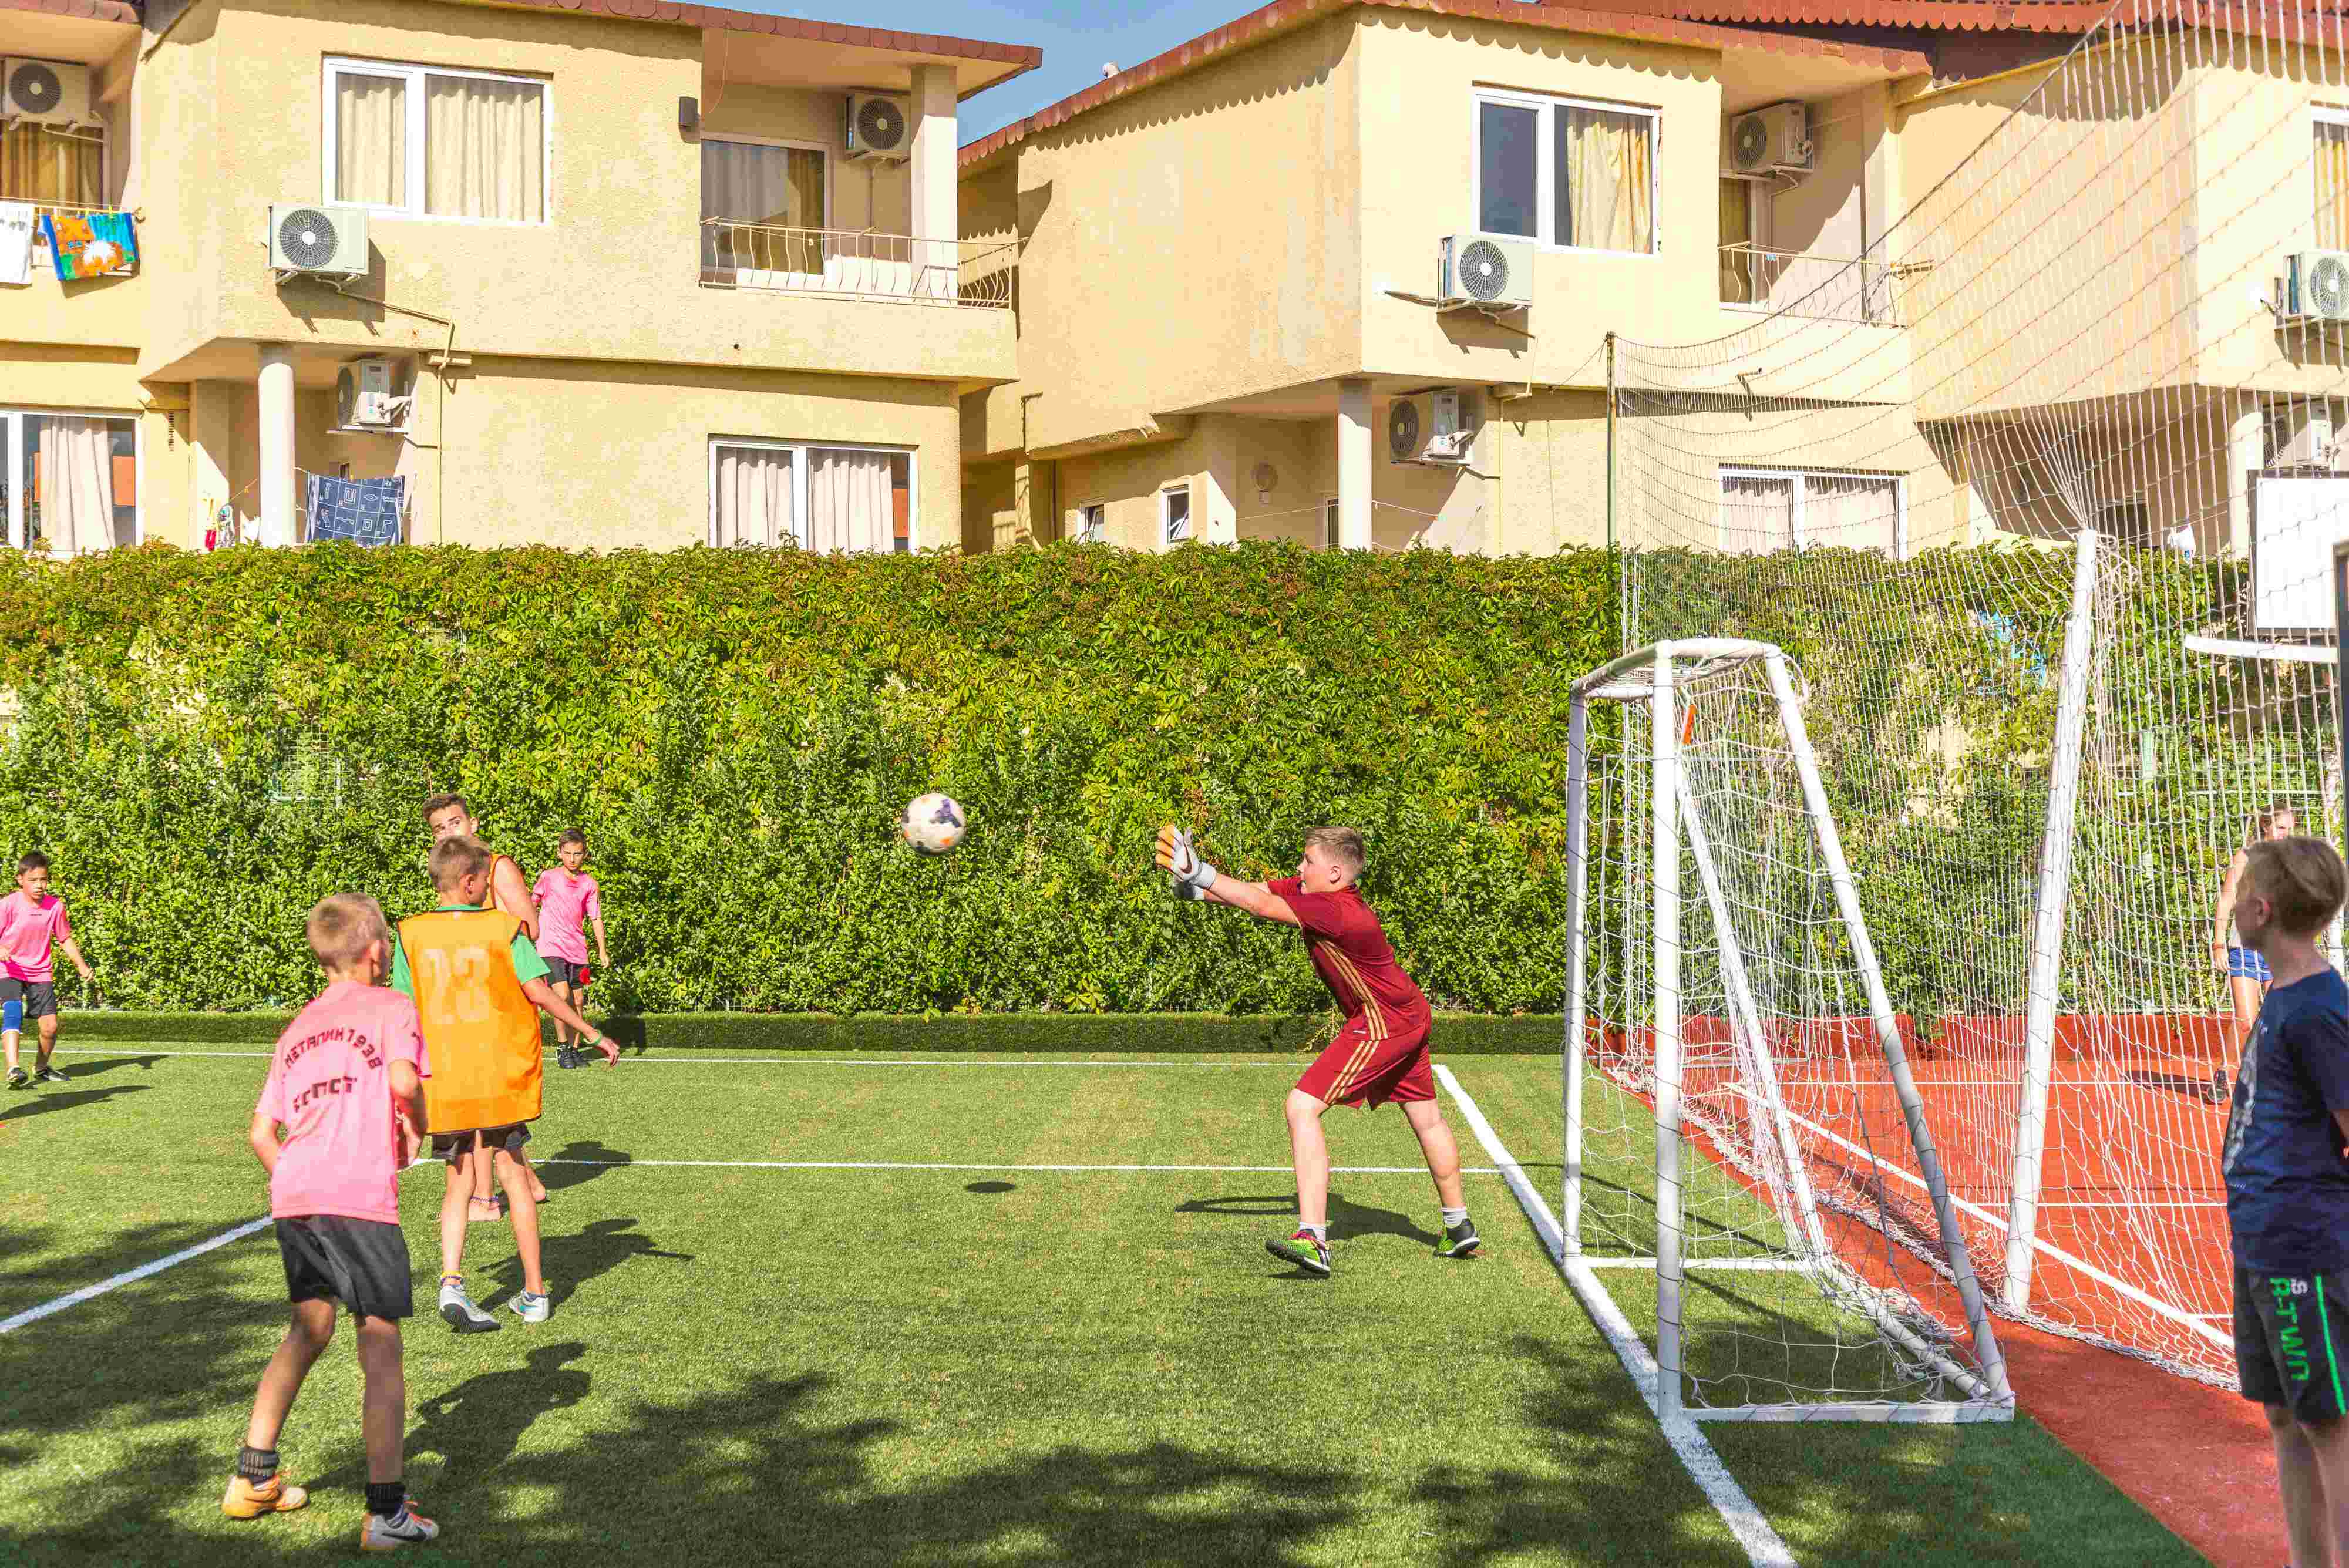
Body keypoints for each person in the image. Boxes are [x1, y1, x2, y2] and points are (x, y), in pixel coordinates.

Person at [1156, 823, 1478, 1276]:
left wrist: (1199, 870)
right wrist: (1193, 888)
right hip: (1408, 1012)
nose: (1299, 867)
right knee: (1427, 1118)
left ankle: (1313, 1239)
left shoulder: (1337, 910)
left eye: (1307, 861)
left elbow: (1260, 905)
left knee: (1301, 1106)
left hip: (1383, 1020)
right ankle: (1458, 1226)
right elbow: (1254, 893)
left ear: (1334, 872)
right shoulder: (1316, 891)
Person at [223, 893, 439, 1551]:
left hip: (296, 1195)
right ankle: (386, 1513)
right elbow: (404, 1084)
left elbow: (261, 1133)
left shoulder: (298, 1028)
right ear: (376, 952)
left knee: (309, 1328)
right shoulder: (392, 1006)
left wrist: (299, 1177)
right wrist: (417, 1126)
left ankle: (252, 1477)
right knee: (380, 1342)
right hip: (357, 1197)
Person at [396, 834, 614, 1333]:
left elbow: (403, 1014)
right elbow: (539, 992)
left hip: (447, 1082)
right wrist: (591, 1033)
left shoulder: (411, 934)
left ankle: (452, 1281)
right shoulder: (504, 928)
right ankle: (535, 1292)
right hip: (499, 1077)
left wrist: (397, 1085)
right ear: (472, 882)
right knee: (514, 1176)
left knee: (458, 1182)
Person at [2223, 833, 2349, 1568]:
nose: (2233, 908)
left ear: (2263, 910)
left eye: (2241, 896)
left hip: (2301, 1248)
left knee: (2328, 1422)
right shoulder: (2283, 996)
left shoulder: (2318, 1011)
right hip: (2261, 1242)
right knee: (2285, 1414)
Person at [423, 793, 548, 1215]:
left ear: (473, 823)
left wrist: (486, 937)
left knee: (483, 1104)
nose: (448, 832)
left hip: (502, 996)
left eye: (454, 823)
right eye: (439, 829)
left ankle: (484, 1197)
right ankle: (528, 1182)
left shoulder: (498, 868)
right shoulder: (451, 875)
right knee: (490, 1101)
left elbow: (530, 926)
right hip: (471, 1001)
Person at [2213, 803, 2301, 1105]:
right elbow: (2226, 901)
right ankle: (2224, 1072)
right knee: (2246, 1020)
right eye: (2281, 827)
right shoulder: (2245, 857)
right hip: (2246, 948)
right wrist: (2218, 943)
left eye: (2290, 829)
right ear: (2265, 826)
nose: (2286, 833)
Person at [0, 851, 96, 1091]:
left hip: (40, 972)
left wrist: (82, 966)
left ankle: (41, 1068)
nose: (39, 885)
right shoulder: (8, 905)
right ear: (20, 879)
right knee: (13, 1012)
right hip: (9, 969)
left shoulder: (55, 907)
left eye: (43, 880)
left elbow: (65, 939)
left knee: (50, 1027)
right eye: (33, 880)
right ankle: (13, 1069)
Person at [533, 831, 610, 1072]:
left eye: (577, 854)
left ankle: (575, 1050)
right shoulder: (548, 878)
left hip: (577, 949)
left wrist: (602, 950)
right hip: (550, 946)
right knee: (561, 995)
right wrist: (526, 935)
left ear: (585, 854)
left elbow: (595, 918)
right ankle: (563, 1048)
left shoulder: (590, 884)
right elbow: (530, 905)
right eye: (567, 853)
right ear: (560, 853)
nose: (572, 858)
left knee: (577, 1000)